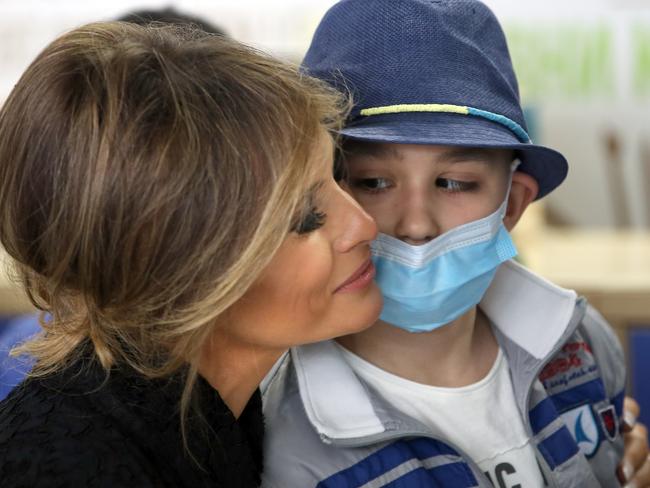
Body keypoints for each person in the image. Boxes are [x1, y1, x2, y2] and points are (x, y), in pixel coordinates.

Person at [262, 1, 649, 486]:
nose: (416, 224)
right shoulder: (276, 434)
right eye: (373, 182)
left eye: (455, 183)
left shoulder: (579, 341)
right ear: (318, 194)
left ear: (512, 204)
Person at [0, 21, 383, 487]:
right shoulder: (73, 468)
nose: (365, 224)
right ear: (180, 275)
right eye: (305, 219)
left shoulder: (210, 420)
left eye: (337, 176)